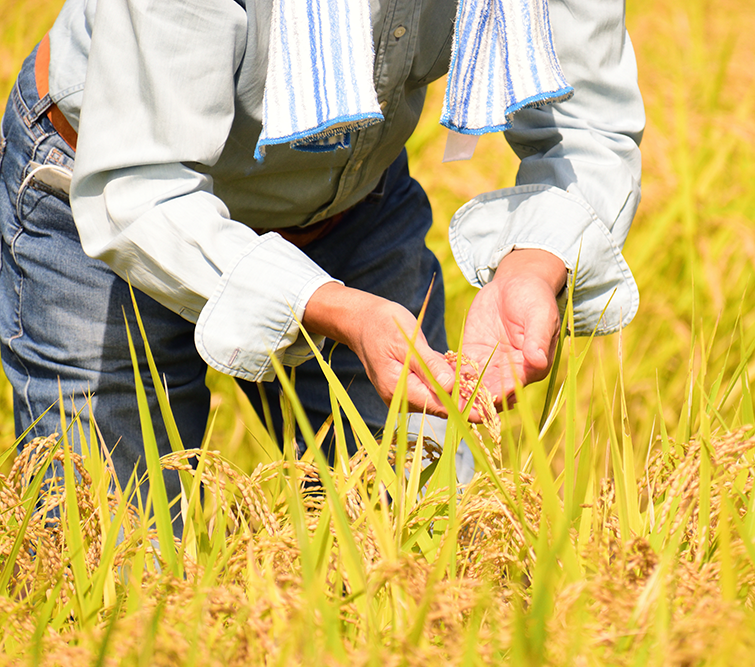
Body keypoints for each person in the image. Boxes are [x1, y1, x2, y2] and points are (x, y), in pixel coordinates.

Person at [0, 0, 643, 510]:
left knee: (418, 534)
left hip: (351, 211)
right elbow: (141, 188)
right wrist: (334, 308)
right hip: (108, 206)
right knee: (114, 555)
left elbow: (589, 122)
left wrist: (534, 264)